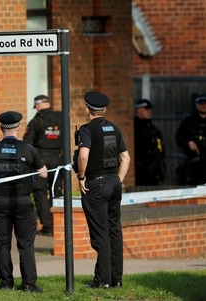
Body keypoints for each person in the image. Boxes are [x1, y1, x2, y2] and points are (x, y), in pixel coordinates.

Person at [0, 111, 47, 293]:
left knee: (2, 244)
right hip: (23, 201)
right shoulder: (28, 149)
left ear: (1, 128)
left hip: (0, 201)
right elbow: (44, 173)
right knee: (26, 245)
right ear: (18, 127)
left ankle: (6, 284)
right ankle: (29, 285)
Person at [75, 91, 130, 289]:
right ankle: (116, 279)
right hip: (114, 183)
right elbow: (125, 158)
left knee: (101, 234)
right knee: (114, 231)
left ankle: (103, 281)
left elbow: (83, 156)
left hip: (96, 185)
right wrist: (118, 180)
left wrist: (81, 177)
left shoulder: (86, 130)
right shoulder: (114, 128)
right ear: (104, 110)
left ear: (87, 109)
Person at [23, 94, 63, 236]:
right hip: (58, 160)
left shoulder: (35, 121)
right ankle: (59, 226)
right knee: (56, 192)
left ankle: (48, 227)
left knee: (40, 192)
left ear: (38, 105)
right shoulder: (60, 117)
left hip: (40, 160)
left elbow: (28, 143)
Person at [175, 95, 206, 185]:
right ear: (197, 105)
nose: (204, 106)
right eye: (201, 104)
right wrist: (188, 142)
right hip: (194, 162)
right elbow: (178, 137)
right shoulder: (189, 121)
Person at [134, 99, 166, 186]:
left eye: (150, 109)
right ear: (139, 110)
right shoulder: (135, 126)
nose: (149, 112)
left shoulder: (151, 127)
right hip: (142, 170)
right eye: (146, 109)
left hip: (155, 169)